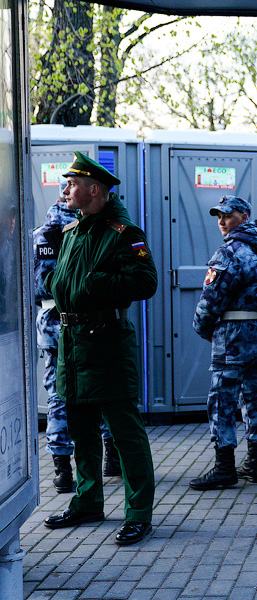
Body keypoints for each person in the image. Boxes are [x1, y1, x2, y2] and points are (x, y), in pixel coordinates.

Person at [42, 152, 157, 546]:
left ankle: (139, 512)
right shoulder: (72, 231)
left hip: (106, 344)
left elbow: (145, 282)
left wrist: (94, 284)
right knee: (81, 429)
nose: (66, 189)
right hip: (72, 345)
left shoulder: (124, 232)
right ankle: (88, 501)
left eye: (72, 184)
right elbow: (60, 281)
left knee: (125, 433)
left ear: (95, 190)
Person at [34, 179, 121, 494]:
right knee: (99, 388)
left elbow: (34, 286)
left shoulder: (42, 234)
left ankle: (63, 470)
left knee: (59, 395)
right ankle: (111, 459)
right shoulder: (90, 229)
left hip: (53, 322)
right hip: (84, 322)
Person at [189, 196, 257, 490]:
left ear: (243, 215)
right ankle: (254, 464)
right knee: (254, 399)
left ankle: (224, 468)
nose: (221, 222)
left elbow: (211, 299)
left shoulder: (230, 252)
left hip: (232, 339)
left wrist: (203, 328)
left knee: (222, 402)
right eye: (218, 216)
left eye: (227, 215)